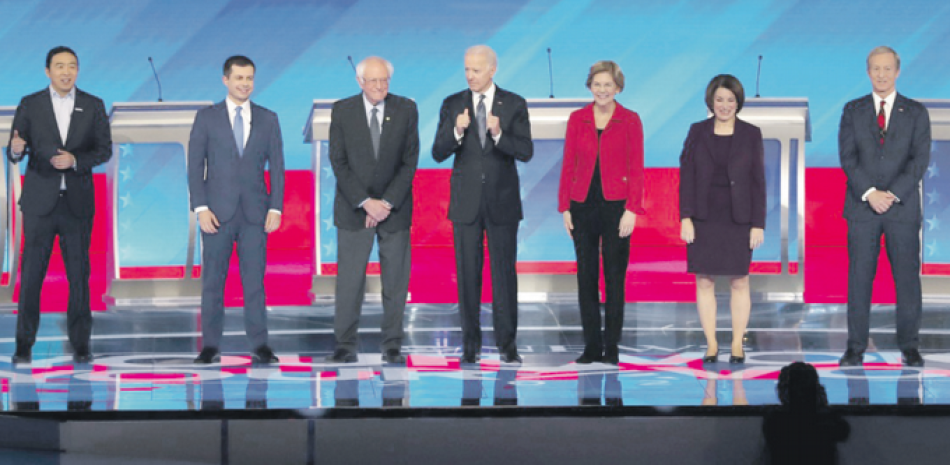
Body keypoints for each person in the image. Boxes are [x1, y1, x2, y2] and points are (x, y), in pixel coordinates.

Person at [7, 46, 112, 365]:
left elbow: (104, 150)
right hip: (40, 202)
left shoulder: (93, 105)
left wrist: (77, 160)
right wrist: (14, 150)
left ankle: (81, 343)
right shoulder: (30, 103)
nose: (66, 72)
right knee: (33, 274)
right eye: (60, 66)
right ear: (47, 71)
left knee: (79, 275)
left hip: (77, 204)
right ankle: (24, 344)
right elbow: (16, 150)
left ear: (78, 70)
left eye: (72, 66)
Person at [432, 45, 533, 364]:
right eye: (466, 69)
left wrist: (499, 133)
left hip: (502, 203)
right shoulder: (452, 104)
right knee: (467, 275)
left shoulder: (514, 103)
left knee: (504, 275)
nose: (469, 76)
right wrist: (457, 130)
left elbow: (525, 151)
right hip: (466, 204)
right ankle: (470, 344)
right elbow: (438, 151)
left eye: (476, 70)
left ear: (492, 70)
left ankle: (507, 344)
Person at [187, 55, 285, 364]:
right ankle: (211, 346)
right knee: (213, 282)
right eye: (239, 78)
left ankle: (260, 345)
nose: (245, 83)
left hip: (256, 214)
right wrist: (200, 207)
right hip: (216, 213)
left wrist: (276, 207)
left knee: (254, 282)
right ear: (225, 80)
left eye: (250, 78)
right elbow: (194, 166)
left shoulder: (269, 118)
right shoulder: (206, 118)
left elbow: (279, 168)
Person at [838, 46, 930, 368]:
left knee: (906, 281)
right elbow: (848, 158)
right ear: (867, 72)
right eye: (875, 69)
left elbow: (920, 160)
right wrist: (869, 193)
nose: (881, 74)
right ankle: (855, 347)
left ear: (898, 71)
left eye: (887, 68)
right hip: (862, 209)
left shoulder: (916, 112)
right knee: (859, 280)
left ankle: (910, 346)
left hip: (901, 208)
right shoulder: (853, 110)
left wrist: (890, 194)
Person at [325, 56, 419, 364]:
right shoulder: (342, 110)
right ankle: (345, 344)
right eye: (373, 81)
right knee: (350, 281)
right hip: (354, 208)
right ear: (360, 81)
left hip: (395, 208)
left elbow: (409, 161)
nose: (380, 86)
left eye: (385, 81)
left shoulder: (406, 108)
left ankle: (392, 343)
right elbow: (338, 162)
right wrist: (366, 202)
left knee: (395, 281)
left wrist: (386, 203)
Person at [558, 60, 645, 365]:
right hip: (582, 206)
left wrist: (633, 209)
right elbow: (568, 164)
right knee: (586, 278)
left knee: (614, 278)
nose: (602, 90)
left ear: (618, 88)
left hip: (616, 207)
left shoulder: (630, 119)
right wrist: (564, 207)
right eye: (597, 84)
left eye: (608, 85)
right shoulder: (577, 118)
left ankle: (612, 346)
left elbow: (637, 168)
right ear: (589, 86)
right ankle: (592, 345)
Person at [679, 74, 766, 364]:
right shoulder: (696, 131)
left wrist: (758, 223)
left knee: (739, 281)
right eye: (719, 99)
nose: (725, 105)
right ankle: (712, 344)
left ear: (738, 102)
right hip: (704, 217)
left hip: (738, 217)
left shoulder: (751, 134)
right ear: (711, 101)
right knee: (704, 281)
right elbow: (686, 176)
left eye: (730, 100)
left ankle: (737, 344)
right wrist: (685, 217)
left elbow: (758, 182)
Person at [762, 362, 850, 465]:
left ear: (784, 392)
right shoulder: (829, 421)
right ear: (816, 391)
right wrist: (822, 405)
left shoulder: (775, 420)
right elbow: (843, 431)